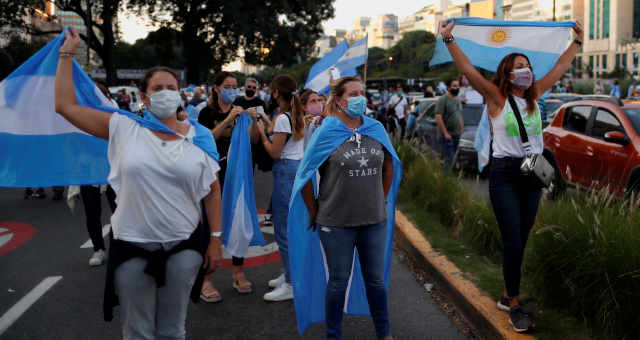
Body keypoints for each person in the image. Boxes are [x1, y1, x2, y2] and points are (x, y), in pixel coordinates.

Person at [55, 28, 222, 339]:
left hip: (183, 248)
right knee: (137, 332)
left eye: (171, 87)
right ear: (144, 96)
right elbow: (65, 107)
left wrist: (215, 239)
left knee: (173, 331)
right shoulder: (123, 127)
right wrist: (66, 55)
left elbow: (212, 192)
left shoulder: (200, 137)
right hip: (131, 246)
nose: (165, 93)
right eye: (157, 88)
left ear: (180, 92)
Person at [439, 19, 583, 333]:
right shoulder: (495, 97)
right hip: (505, 174)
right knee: (513, 239)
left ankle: (507, 294)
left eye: (528, 65)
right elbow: (469, 70)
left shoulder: (536, 94)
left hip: (531, 173)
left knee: (523, 237)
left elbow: (560, 66)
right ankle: (515, 303)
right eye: (520, 65)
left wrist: (578, 41)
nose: (526, 70)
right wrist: (449, 39)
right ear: (507, 72)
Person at [299, 76, 395, 340]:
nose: (360, 98)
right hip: (336, 222)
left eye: (362, 92)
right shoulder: (326, 132)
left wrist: (380, 198)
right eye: (354, 94)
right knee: (338, 282)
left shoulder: (375, 128)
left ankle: (384, 334)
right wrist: (313, 209)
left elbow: (389, 165)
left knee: (375, 282)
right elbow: (305, 173)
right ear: (340, 101)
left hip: (374, 220)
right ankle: (333, 335)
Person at [197, 72, 257, 301]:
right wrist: (228, 118)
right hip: (213, 177)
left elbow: (252, 142)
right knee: (211, 227)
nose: (233, 89)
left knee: (240, 222)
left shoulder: (240, 110)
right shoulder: (207, 112)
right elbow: (206, 139)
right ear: (216, 88)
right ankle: (206, 279)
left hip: (238, 175)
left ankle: (238, 272)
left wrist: (252, 122)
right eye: (227, 86)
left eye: (235, 86)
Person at [256, 74, 305, 301]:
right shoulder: (293, 114)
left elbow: (275, 151)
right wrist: (267, 123)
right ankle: (289, 273)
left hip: (285, 170)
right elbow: (284, 137)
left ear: (276, 93)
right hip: (294, 169)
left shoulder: (284, 117)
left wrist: (261, 134)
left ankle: (292, 283)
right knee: (287, 227)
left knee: (283, 231)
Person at [434, 79, 464, 169]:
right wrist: (445, 133)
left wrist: (462, 129)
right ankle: (445, 179)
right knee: (449, 158)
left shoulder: (458, 100)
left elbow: (460, 115)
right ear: (448, 88)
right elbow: (438, 117)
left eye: (458, 86)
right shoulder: (443, 99)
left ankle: (450, 179)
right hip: (447, 136)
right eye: (454, 86)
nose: (457, 88)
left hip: (457, 134)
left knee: (454, 158)